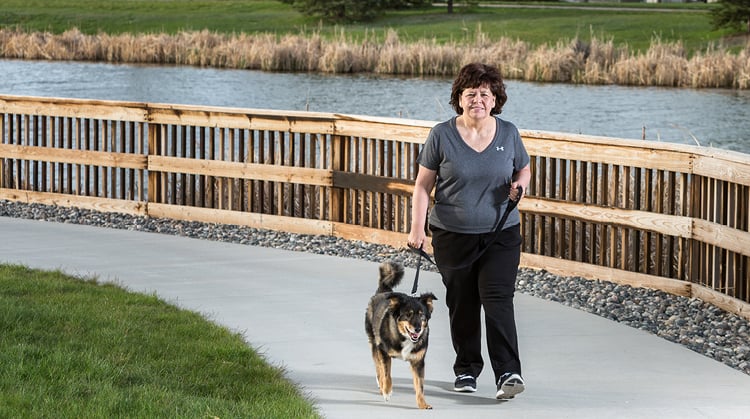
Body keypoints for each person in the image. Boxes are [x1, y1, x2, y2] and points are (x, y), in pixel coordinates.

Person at [407, 62, 531, 400]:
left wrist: (519, 188)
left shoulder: (508, 133)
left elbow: (523, 169)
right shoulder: (441, 135)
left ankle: (508, 371)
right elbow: (422, 186)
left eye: (485, 94)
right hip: (452, 234)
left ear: (495, 100)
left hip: (500, 234)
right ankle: (466, 370)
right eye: (471, 93)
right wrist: (418, 228)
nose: (478, 99)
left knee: (498, 298)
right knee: (462, 303)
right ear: (459, 98)